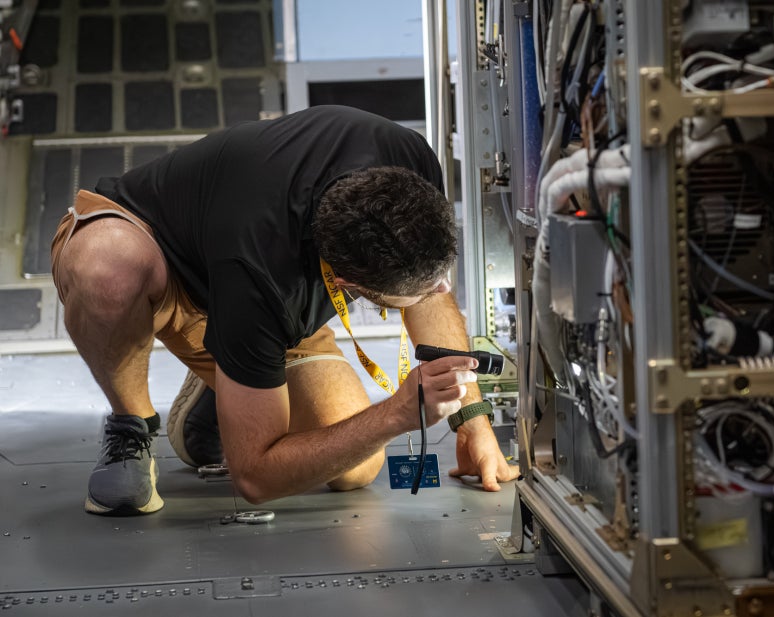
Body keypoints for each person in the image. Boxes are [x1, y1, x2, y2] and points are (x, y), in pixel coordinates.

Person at [51, 105, 519, 516]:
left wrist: (472, 422)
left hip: (256, 297)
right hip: (153, 250)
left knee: (356, 466)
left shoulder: (408, 160)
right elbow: (254, 480)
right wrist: (396, 413)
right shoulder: (259, 275)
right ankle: (132, 426)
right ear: (345, 284)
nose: (442, 288)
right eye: (423, 289)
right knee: (108, 270)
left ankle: (232, 386)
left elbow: (431, 292)